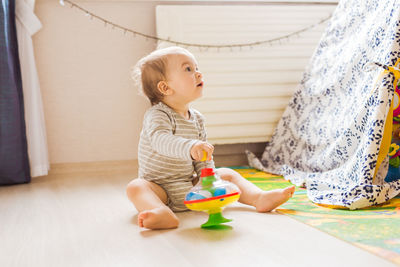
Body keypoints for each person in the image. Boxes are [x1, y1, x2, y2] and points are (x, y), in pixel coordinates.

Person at [126, 46, 295, 230]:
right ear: (165, 87)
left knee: (228, 174)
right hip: (160, 189)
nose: (198, 74)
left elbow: (203, 158)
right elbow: (161, 141)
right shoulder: (157, 115)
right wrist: (190, 147)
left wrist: (207, 180)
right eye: (188, 69)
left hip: (189, 185)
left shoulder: (197, 118)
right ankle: (160, 212)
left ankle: (258, 198)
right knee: (136, 187)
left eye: (196, 67)